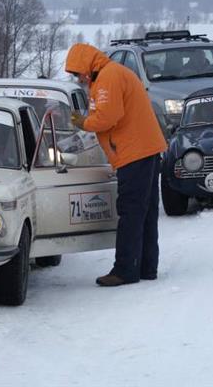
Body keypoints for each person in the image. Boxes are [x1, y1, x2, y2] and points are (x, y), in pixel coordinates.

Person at [66, 43, 167, 287]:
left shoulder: (108, 78)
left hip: (134, 153)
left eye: (78, 73)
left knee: (131, 211)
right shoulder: (113, 73)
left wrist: (84, 122)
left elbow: (108, 117)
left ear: (87, 66)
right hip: (146, 149)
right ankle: (146, 267)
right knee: (145, 211)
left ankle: (125, 270)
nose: (78, 78)